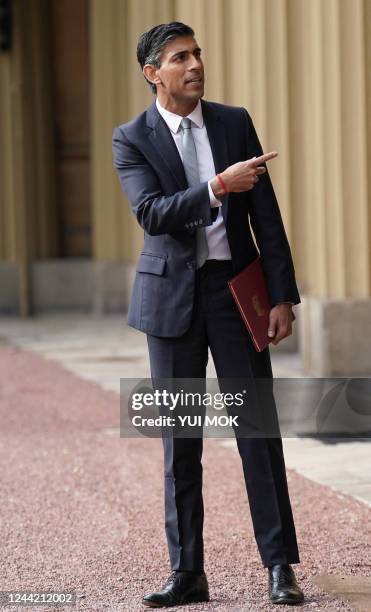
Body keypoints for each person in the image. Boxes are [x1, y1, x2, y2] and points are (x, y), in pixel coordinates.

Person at [112, 22, 304, 607]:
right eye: (180, 58)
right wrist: (220, 185)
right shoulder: (132, 138)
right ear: (153, 74)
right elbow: (152, 212)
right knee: (181, 440)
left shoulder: (233, 121)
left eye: (197, 54)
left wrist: (281, 295)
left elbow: (264, 215)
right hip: (171, 301)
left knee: (258, 434)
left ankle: (279, 567)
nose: (195, 65)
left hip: (232, 293)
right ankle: (187, 572)